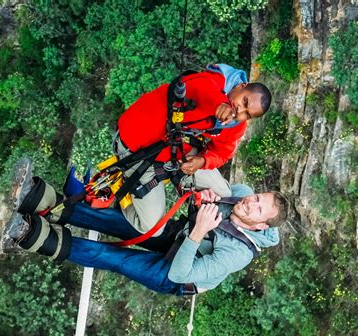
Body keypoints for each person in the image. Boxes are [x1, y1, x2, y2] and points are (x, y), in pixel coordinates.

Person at [3, 159, 288, 296]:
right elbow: (199, 191)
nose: (251, 202)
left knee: (114, 258)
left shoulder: (237, 255)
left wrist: (200, 231)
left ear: (261, 226)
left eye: (258, 209)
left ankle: (30, 235)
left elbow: (180, 272)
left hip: (179, 276)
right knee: (122, 222)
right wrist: (204, 198)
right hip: (183, 235)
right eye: (258, 197)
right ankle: (39, 200)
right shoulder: (239, 194)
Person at [97, 63, 272, 236]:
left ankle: (194, 213)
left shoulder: (234, 125)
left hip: (176, 152)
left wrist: (203, 161)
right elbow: (203, 89)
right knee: (152, 228)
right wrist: (221, 103)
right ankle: (123, 196)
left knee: (223, 194)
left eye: (247, 113)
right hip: (136, 151)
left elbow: (223, 152)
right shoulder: (213, 80)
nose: (240, 110)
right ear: (241, 86)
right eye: (244, 101)